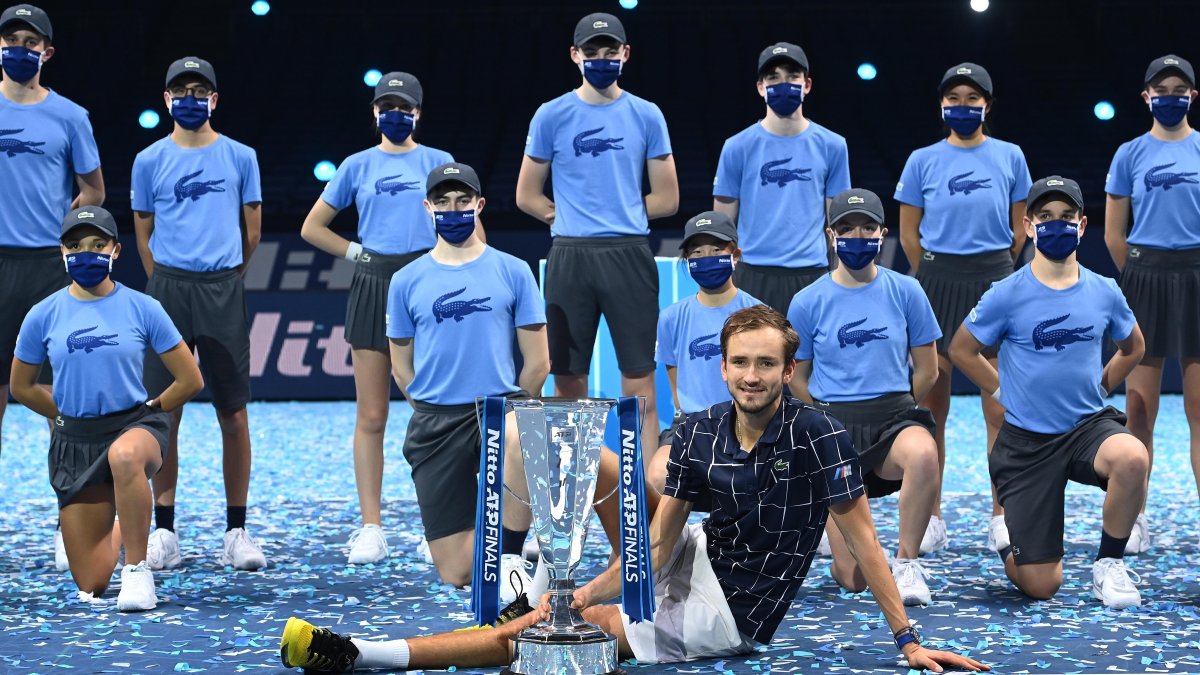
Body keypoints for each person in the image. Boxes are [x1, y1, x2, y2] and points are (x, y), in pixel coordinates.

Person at [277, 306, 988, 674]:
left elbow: (864, 540)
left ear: (787, 369)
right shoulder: (701, 429)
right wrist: (586, 588)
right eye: (740, 362)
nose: (752, 375)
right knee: (600, 499)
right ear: (723, 366)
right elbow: (660, 541)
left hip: (729, 615)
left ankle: (364, 653)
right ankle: (544, 582)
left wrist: (907, 640)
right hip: (698, 554)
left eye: (766, 364)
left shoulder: (818, 435)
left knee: (539, 639)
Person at [950, 176, 1148, 608]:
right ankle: (1008, 540)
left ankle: (1109, 564)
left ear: (1081, 225)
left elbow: (1134, 347)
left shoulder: (1104, 290)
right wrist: (1001, 390)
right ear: (1028, 226)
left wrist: (1103, 383)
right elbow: (962, 349)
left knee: (1132, 457)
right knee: (1041, 585)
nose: (1056, 224)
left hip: (1086, 429)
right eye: (1045, 217)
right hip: (1027, 443)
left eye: (1066, 216)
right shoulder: (1005, 294)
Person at [10, 206, 203, 611]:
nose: (87, 253)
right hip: (76, 441)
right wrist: (61, 413)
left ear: (116, 250)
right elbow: (21, 387)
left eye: (98, 244)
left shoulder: (144, 307)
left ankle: (137, 570)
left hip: (134, 427)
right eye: (76, 245)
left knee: (126, 455)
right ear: (62, 251)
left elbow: (190, 380)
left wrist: (154, 408)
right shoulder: (42, 314)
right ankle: (126, 520)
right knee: (92, 580)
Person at [300, 72, 456, 565]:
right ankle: (372, 527)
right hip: (373, 283)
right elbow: (312, 227)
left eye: (404, 107)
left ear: (418, 113)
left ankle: (440, 526)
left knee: (436, 413)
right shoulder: (356, 165)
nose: (395, 114)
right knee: (371, 416)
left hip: (428, 282)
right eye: (387, 106)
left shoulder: (438, 162)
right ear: (374, 112)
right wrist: (358, 254)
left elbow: (469, 228)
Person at [515, 11, 677, 454]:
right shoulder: (551, 115)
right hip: (570, 256)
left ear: (626, 54)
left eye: (610, 50)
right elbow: (526, 195)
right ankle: (573, 491)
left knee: (640, 383)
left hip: (628, 253)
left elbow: (667, 198)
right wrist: (567, 217)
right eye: (592, 51)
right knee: (568, 382)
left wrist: (615, 212)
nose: (601, 58)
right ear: (575, 55)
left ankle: (642, 491)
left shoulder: (647, 115)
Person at [386, 163, 548, 599]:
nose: (453, 210)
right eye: (443, 202)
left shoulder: (514, 270)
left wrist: (515, 408)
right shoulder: (404, 281)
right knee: (458, 572)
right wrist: (431, 405)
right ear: (428, 207)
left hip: (499, 407)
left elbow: (538, 363)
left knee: (521, 431)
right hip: (437, 422)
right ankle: (499, 534)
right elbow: (401, 368)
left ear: (479, 205)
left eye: (462, 201)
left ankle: (510, 554)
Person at [132, 56, 266, 571]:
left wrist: (225, 275)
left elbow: (251, 231)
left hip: (221, 288)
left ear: (214, 99)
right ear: (166, 99)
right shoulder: (148, 160)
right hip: (168, 288)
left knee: (233, 412)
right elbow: (143, 233)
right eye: (181, 91)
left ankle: (236, 531)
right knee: (164, 411)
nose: (190, 99)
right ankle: (164, 531)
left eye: (199, 91)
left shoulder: (241, 156)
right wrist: (163, 283)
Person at [895, 62, 1032, 555]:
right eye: (953, 98)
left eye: (972, 98)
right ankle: (931, 515)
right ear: (941, 105)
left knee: (1000, 405)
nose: (962, 106)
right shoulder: (921, 160)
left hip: (993, 280)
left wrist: (994, 269)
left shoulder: (1011, 156)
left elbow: (1020, 230)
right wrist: (933, 274)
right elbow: (908, 234)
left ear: (987, 105)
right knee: (933, 407)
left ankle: (1002, 514)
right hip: (936, 282)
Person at [787, 188, 942, 606]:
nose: (857, 236)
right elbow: (797, 376)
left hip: (893, 419)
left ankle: (907, 562)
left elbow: (928, 369)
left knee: (923, 452)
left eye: (867, 227)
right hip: (834, 426)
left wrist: (900, 403)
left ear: (882, 233)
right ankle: (831, 525)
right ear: (831, 235)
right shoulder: (807, 301)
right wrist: (821, 420)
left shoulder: (907, 291)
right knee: (853, 579)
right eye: (847, 228)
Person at [0, 3, 104, 570]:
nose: (19, 49)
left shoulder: (70, 116)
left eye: (29, 41)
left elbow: (94, 190)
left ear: (47, 52)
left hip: (46, 265)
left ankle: (72, 524)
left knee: (60, 406)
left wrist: (62, 226)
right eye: (10, 39)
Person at [1104, 54, 1200, 553]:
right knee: (1139, 413)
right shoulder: (1129, 154)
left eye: (1179, 90)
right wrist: (1141, 278)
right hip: (1145, 279)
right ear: (1146, 97)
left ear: (1192, 96)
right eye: (1161, 90)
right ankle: (1134, 516)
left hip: (1197, 277)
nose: (1169, 97)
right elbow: (1113, 235)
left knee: (1199, 410)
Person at [713, 42, 850, 315]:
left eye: (792, 76)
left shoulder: (833, 145)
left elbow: (838, 223)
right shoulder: (736, 147)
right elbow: (722, 226)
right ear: (760, 87)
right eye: (773, 77)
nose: (783, 84)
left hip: (811, 274)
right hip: (752, 275)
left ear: (807, 84)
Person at [650, 210, 761, 494]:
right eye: (697, 252)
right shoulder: (671, 317)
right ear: (686, 259)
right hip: (691, 424)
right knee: (657, 476)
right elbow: (675, 379)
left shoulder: (758, 314)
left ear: (735, 254)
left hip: (748, 422)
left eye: (716, 249)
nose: (706, 257)